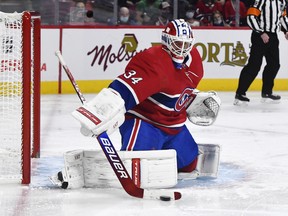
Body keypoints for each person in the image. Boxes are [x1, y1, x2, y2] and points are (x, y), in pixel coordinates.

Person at [50, 19, 221, 189]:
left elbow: (179, 89)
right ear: (167, 42)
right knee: (133, 170)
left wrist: (191, 100)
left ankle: (163, 153)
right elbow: (122, 89)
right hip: (145, 122)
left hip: (173, 126)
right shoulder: (154, 62)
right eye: (177, 43)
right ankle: (77, 172)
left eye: (186, 44)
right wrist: (99, 112)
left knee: (189, 165)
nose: (182, 49)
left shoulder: (196, 62)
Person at [234, 0, 288, 105]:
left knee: (274, 65)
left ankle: (267, 93)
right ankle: (240, 94)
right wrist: (261, 32)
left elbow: (282, 17)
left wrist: (286, 30)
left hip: (273, 36)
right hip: (259, 36)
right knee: (254, 66)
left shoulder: (282, 1)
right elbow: (251, 16)